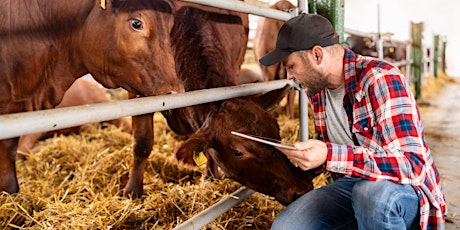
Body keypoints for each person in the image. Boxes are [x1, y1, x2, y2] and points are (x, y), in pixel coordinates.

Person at [259, 13, 447, 230]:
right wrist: (303, 160)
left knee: (371, 196)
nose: (289, 76)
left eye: (290, 66)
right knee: (285, 227)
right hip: (353, 183)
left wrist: (329, 154)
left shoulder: (381, 79)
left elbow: (412, 165)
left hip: (402, 189)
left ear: (317, 55)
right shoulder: (318, 91)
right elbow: (338, 157)